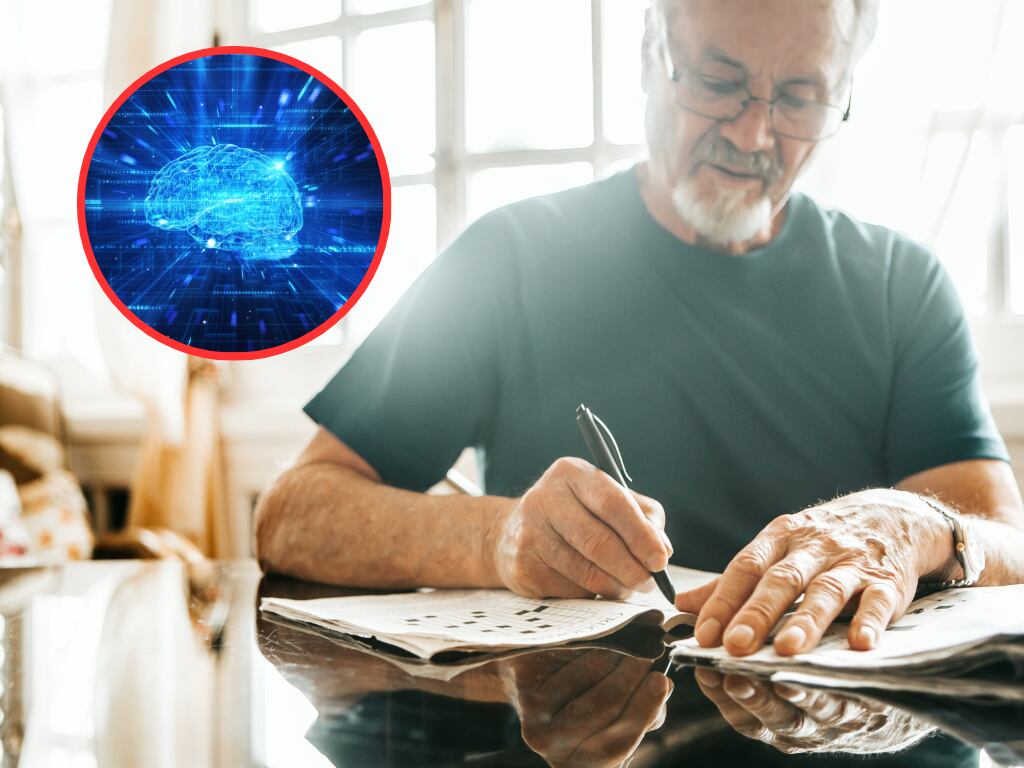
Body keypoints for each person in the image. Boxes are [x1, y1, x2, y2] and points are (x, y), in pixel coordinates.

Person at [254, 0, 1024, 658]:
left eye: (800, 98)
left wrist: (923, 525)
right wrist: (497, 538)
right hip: (579, 735)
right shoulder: (508, 258)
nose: (753, 136)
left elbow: (1007, 544)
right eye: (718, 82)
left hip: (839, 729)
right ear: (650, 57)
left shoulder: (900, 284)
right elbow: (293, 515)